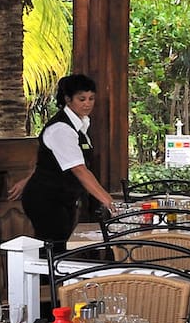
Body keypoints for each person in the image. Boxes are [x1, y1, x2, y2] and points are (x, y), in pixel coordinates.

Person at [9, 73, 117, 249]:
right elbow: (79, 170)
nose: (87, 103)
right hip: (46, 199)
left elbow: (47, 160)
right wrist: (110, 203)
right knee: (54, 249)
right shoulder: (61, 129)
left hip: (62, 198)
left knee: (59, 246)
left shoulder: (81, 125)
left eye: (91, 98)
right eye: (81, 99)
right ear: (68, 99)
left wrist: (28, 179)